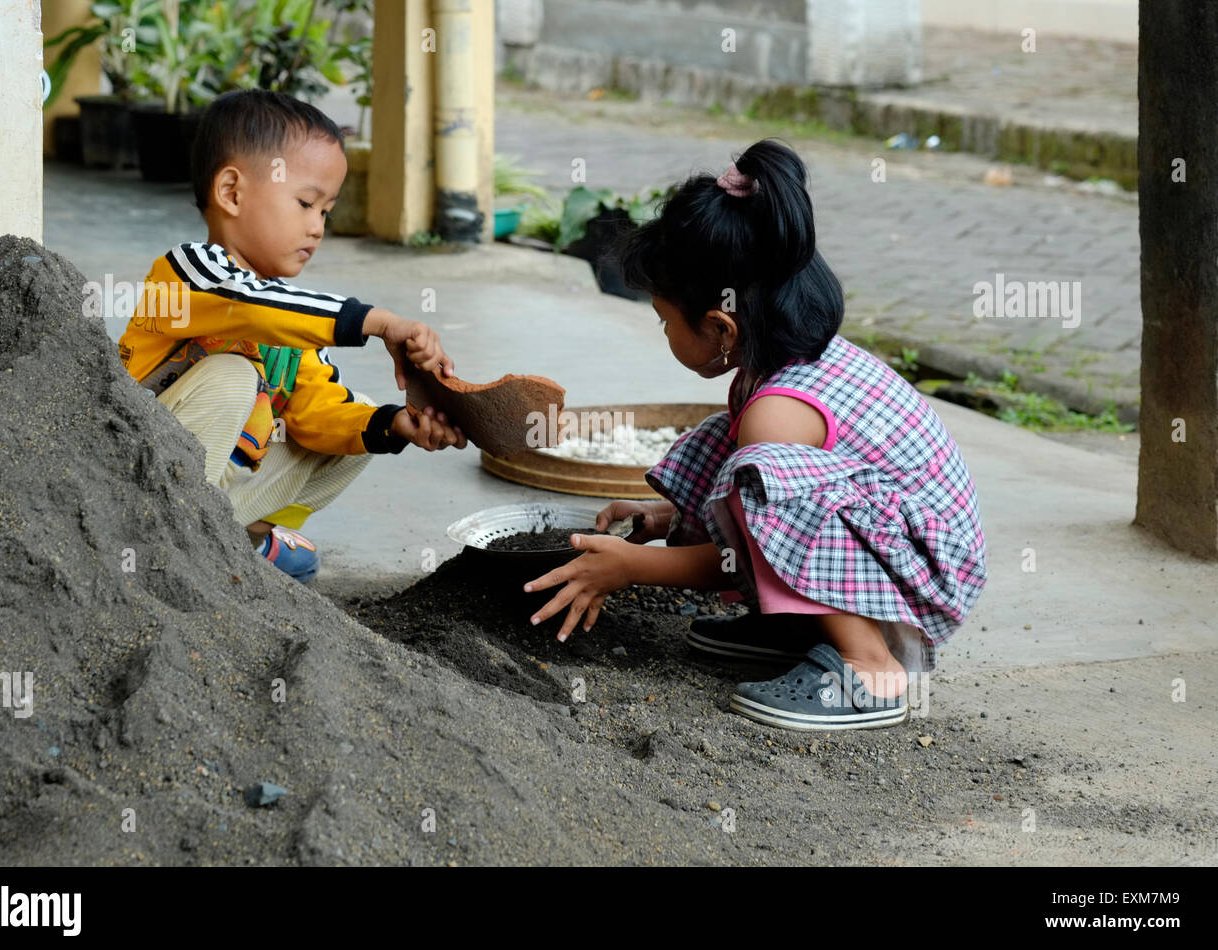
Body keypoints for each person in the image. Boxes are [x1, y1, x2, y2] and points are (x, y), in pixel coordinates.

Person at [524, 139, 988, 731]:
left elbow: (745, 551)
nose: (663, 332)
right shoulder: (776, 363)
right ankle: (794, 626)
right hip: (896, 549)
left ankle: (871, 665)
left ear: (720, 327)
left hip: (924, 576)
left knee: (763, 477)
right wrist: (664, 519)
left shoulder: (779, 412)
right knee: (736, 454)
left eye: (665, 320)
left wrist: (629, 567)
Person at [117, 90, 465, 583]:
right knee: (234, 376)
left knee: (357, 425)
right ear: (232, 193)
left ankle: (241, 540)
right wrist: (379, 322)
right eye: (305, 203)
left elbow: (316, 412)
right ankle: (161, 544)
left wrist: (396, 426)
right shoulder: (187, 272)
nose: (318, 227)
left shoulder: (287, 319)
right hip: (136, 482)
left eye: (326, 211)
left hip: (208, 499)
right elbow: (252, 306)